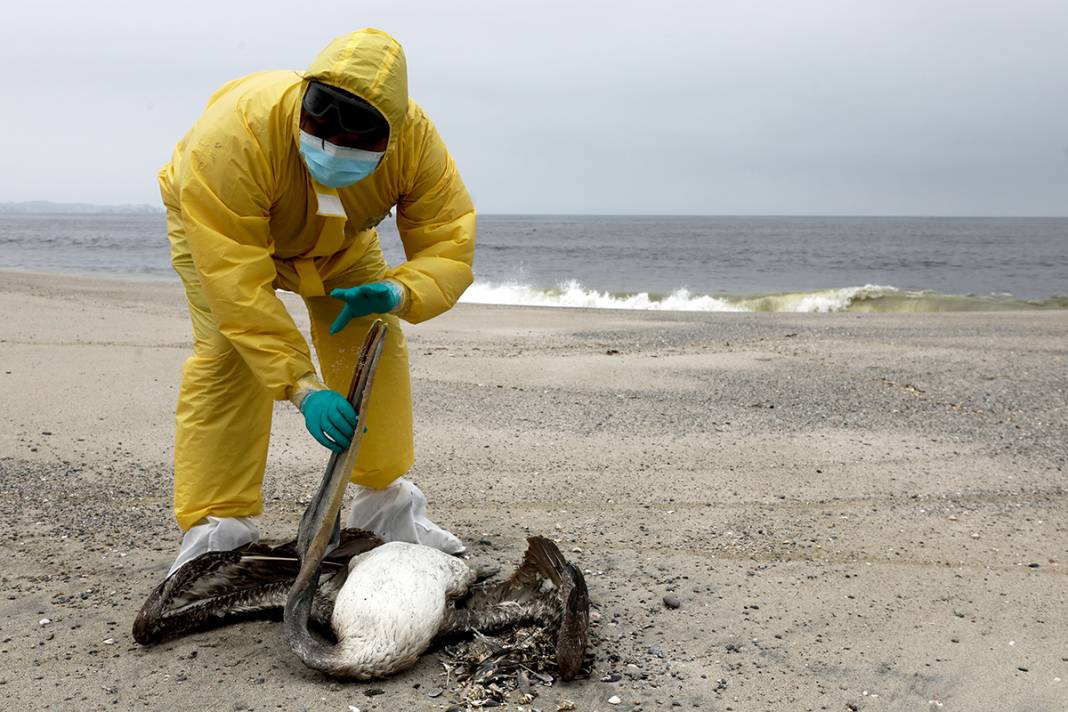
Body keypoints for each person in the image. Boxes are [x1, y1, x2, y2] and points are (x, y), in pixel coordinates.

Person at [158, 29, 475, 576]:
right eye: (320, 120)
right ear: (304, 96)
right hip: (218, 230)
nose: (331, 144)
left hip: (341, 242)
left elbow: (448, 238)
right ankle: (217, 530)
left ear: (391, 136)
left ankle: (385, 506)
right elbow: (238, 284)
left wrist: (400, 290)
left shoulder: (417, 144)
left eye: (355, 138)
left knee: (372, 339)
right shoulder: (234, 138)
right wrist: (302, 387)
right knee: (229, 357)